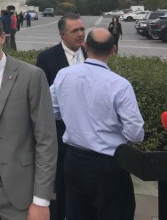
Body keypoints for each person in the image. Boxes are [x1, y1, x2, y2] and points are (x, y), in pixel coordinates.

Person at [0, 13, 57, 220]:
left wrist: (41, 200)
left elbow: (46, 140)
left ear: (3, 37)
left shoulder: (32, 76)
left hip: (21, 188)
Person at [50, 28, 144, 220]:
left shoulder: (64, 75)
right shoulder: (120, 84)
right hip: (109, 163)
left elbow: (52, 110)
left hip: (74, 160)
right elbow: (135, 133)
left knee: (77, 213)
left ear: (85, 46)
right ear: (113, 50)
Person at [35, 13, 86, 220]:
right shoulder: (47, 58)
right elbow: (42, 99)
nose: (81, 34)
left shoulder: (91, 53)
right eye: (75, 31)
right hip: (59, 136)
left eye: (82, 29)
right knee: (60, 189)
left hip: (87, 138)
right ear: (62, 34)